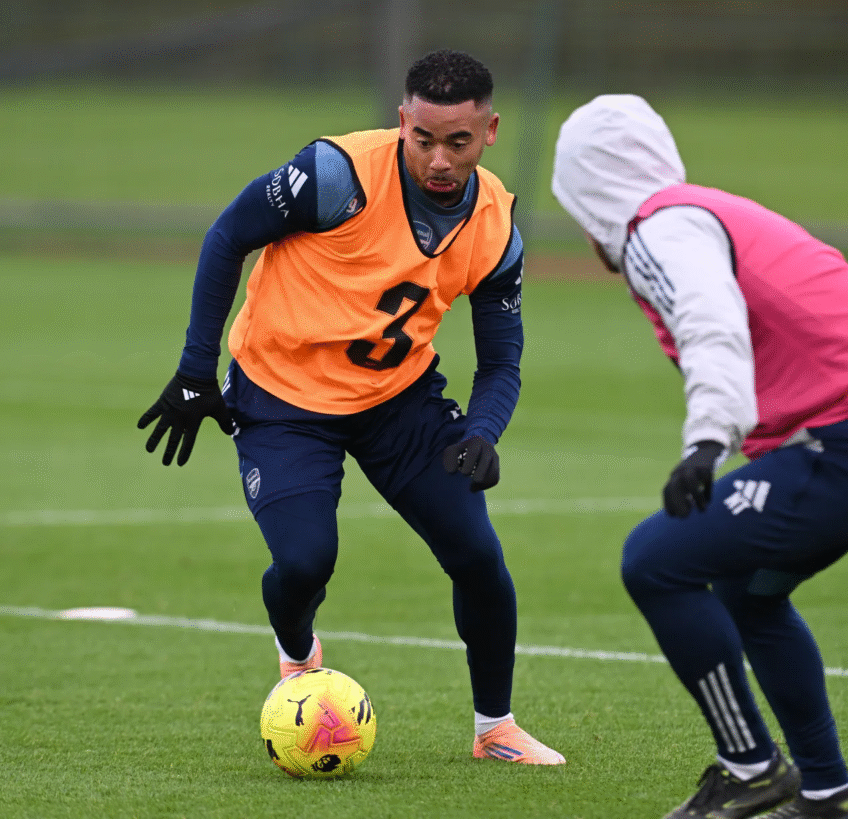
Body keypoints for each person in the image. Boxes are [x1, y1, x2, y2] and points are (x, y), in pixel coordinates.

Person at [138, 49, 564, 766]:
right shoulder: (335, 175)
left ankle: (495, 728)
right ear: (402, 120)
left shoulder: (496, 227)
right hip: (281, 397)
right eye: (422, 137)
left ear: (489, 132)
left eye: (457, 141)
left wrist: (485, 432)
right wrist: (192, 371)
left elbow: (501, 361)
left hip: (398, 400)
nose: (437, 157)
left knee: (478, 554)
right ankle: (297, 651)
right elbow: (226, 237)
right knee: (304, 562)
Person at [551, 94, 848, 818]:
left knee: (655, 559)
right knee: (748, 591)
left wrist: (708, 439)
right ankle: (828, 793)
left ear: (592, 197)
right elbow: (840, 318)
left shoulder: (658, 232)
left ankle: (750, 768)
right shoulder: (706, 210)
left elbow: (713, 322)